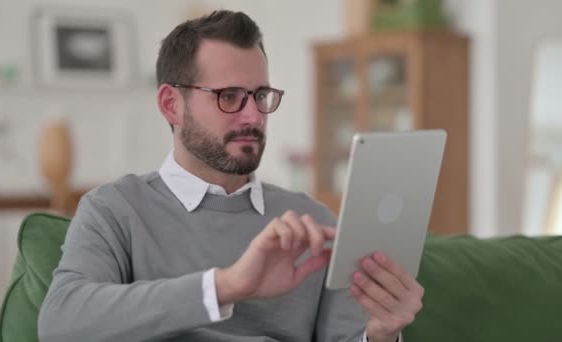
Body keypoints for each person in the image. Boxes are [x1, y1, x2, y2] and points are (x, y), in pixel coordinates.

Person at [38, 10, 423, 342]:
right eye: (229, 96)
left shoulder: (312, 221)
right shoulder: (114, 210)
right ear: (172, 105)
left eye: (260, 96)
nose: (254, 116)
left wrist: (382, 334)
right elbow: (61, 323)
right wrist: (226, 286)